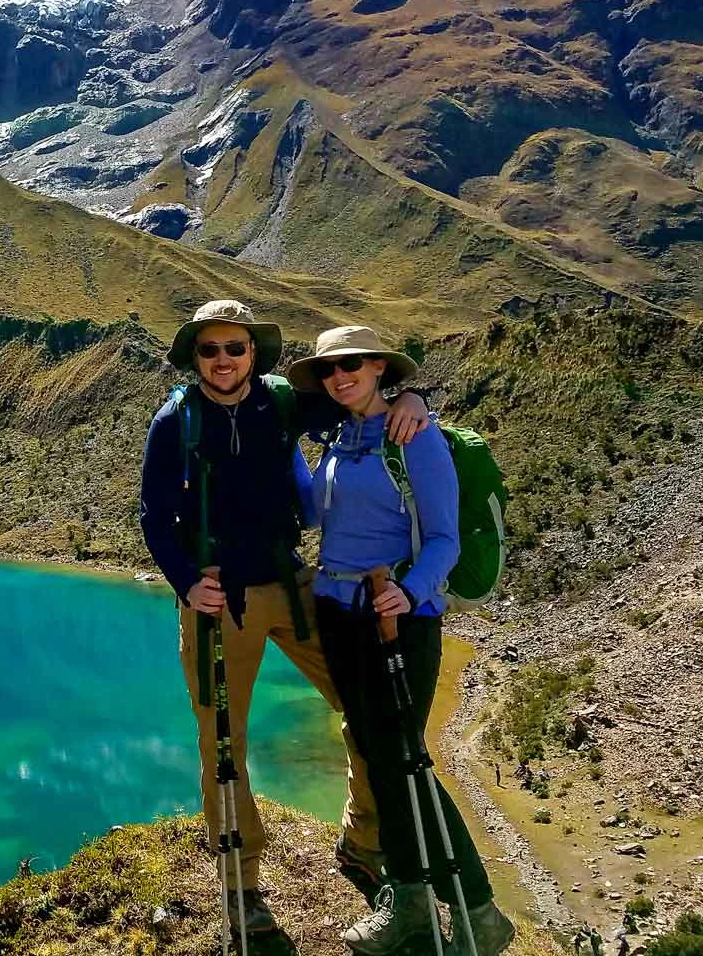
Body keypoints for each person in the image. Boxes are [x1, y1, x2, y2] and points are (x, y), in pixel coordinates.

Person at [139, 300, 432, 935]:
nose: (224, 360)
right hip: (220, 598)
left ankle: (365, 841)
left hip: (296, 587)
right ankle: (240, 881)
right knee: (224, 741)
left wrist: (414, 398)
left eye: (235, 348)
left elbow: (359, 398)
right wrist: (188, 584)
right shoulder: (175, 422)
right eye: (211, 350)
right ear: (196, 358)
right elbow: (154, 520)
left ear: (254, 354)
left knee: (365, 708)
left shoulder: (282, 402)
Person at [289, 324, 515, 956]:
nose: (340, 377)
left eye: (353, 364)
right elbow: (316, 513)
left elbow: (443, 537)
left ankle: (477, 906)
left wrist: (411, 591)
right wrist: (282, 445)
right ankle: (409, 897)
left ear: (382, 369)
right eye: (330, 370)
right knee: (376, 753)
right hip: (339, 615)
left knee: (404, 761)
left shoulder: (415, 438)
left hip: (397, 621)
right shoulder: (337, 441)